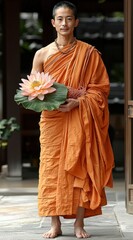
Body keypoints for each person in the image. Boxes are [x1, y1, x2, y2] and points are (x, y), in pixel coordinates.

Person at [31, 1, 114, 238]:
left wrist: (79, 102)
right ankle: (54, 224)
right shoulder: (42, 54)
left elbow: (101, 89)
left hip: (80, 116)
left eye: (69, 19)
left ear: (76, 22)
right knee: (51, 168)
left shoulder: (88, 53)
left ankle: (79, 224)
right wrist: (52, 101)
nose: (64, 23)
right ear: (53, 23)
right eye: (60, 19)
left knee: (80, 166)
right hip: (52, 120)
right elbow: (34, 90)